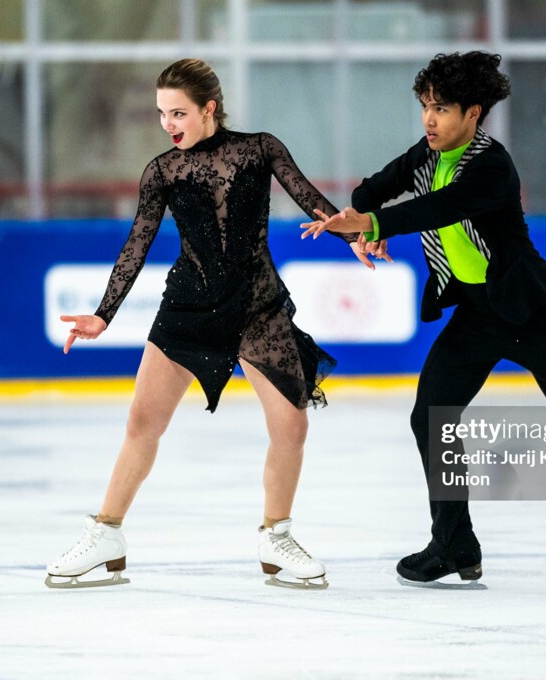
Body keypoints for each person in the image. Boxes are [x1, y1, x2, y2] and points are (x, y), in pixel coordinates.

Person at [302, 51, 546, 591]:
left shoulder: (492, 165)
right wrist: (361, 225)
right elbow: (370, 190)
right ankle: (453, 543)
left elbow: (438, 209)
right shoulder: (426, 154)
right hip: (476, 314)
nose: (429, 119)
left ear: (473, 113)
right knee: (431, 416)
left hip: (532, 313)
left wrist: (374, 221)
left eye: (441, 109)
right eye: (424, 106)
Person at [46, 58, 375, 590]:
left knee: (292, 425)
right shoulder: (161, 171)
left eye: (178, 112)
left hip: (257, 307)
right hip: (190, 308)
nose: (168, 123)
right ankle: (106, 534)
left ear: (209, 108)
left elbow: (313, 201)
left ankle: (276, 536)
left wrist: (353, 235)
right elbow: (138, 242)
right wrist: (103, 314)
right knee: (142, 425)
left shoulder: (261, 148)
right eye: (161, 114)